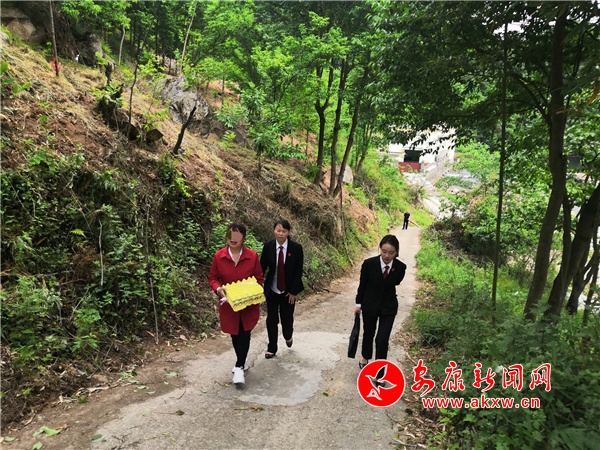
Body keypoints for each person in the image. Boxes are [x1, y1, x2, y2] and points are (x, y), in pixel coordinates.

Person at [208, 223, 264, 384]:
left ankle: (239, 366)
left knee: (245, 332)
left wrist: (251, 291)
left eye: (237, 236)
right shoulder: (219, 256)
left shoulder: (252, 256)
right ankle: (242, 360)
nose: (233, 239)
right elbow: (213, 278)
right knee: (234, 333)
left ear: (243, 238)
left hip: (248, 303)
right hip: (229, 303)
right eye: (230, 235)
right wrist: (218, 289)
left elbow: (259, 278)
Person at [354, 235, 406, 369]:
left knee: (382, 339)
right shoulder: (369, 264)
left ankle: (380, 368)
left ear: (396, 252)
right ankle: (365, 356)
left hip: (389, 307)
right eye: (384, 251)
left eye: (391, 252)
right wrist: (358, 304)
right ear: (380, 249)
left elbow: (396, 282)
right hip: (370, 304)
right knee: (369, 332)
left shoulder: (401, 267)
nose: (387, 255)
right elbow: (362, 284)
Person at [260, 219, 304, 359]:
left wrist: (293, 291)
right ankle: (272, 347)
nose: (280, 233)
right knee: (271, 319)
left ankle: (288, 336)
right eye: (278, 230)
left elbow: (298, 271)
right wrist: (256, 284)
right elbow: (262, 267)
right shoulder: (268, 246)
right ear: (274, 230)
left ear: (288, 232)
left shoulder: (296, 248)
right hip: (272, 289)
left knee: (287, 319)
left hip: (288, 291)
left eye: (284, 231)